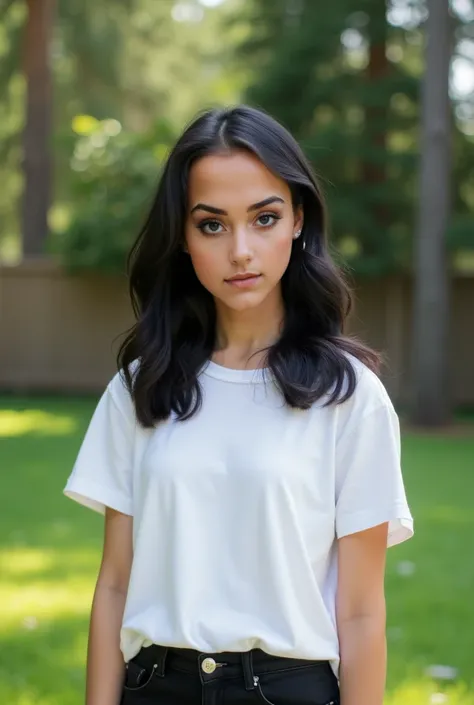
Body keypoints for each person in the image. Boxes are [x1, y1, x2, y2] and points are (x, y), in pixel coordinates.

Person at [64, 104, 414, 705]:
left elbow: (359, 613)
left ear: (298, 220)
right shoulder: (141, 388)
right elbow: (115, 585)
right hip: (154, 687)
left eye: (264, 217)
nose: (242, 250)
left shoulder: (350, 398)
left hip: (290, 690)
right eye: (213, 224)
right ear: (182, 235)